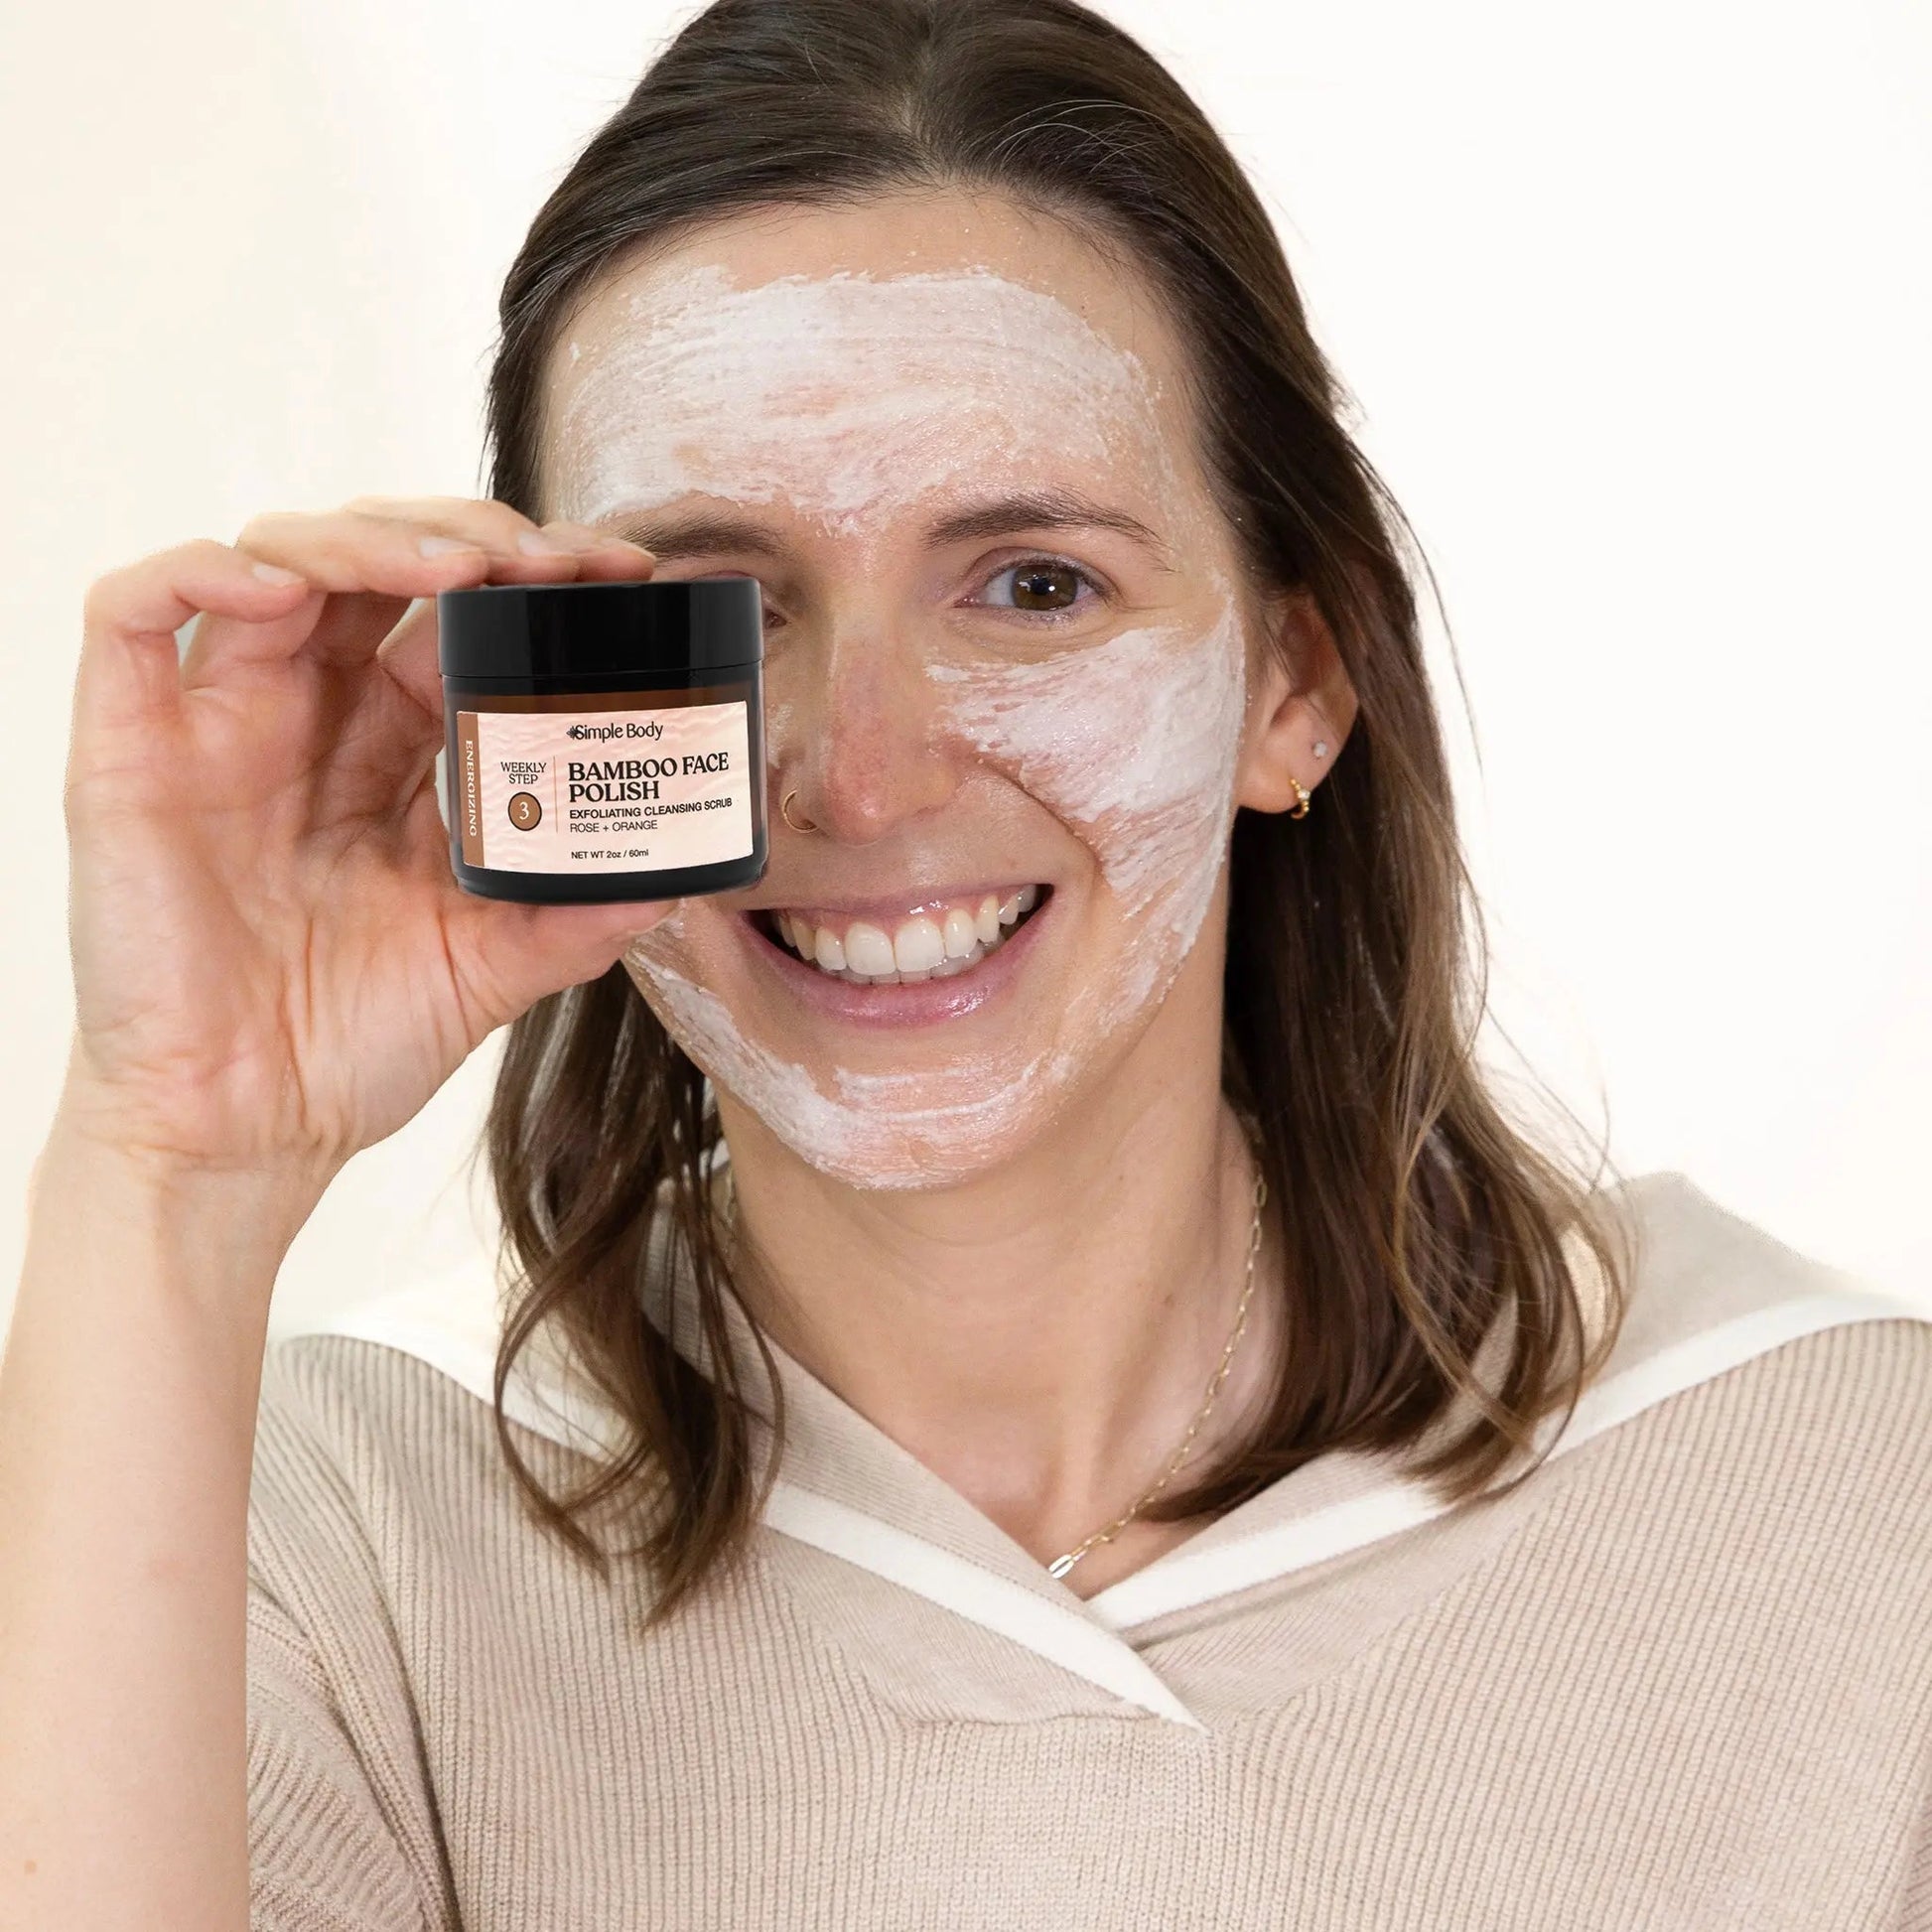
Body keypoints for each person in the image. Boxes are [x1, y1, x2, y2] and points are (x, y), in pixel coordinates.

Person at [4, 0, 1929, 1925]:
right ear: (529, 691)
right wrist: (171, 1162)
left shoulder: (1846, 1491)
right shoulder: (335, 1538)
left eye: (1031, 585)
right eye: (724, 603)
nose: (864, 769)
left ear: (1296, 673)